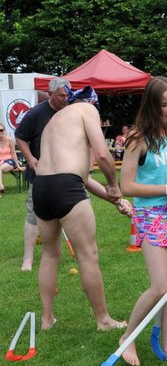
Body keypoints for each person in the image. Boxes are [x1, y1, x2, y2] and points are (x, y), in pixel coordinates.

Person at [33, 86, 131, 331]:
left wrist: (116, 201)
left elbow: (83, 178)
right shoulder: (87, 110)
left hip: (42, 187)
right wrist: (114, 185)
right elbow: (103, 154)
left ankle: (47, 319)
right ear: (92, 104)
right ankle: (103, 320)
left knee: (49, 254)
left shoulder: (56, 120)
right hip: (65, 186)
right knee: (88, 255)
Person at [119, 76, 167, 366]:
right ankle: (127, 337)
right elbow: (127, 186)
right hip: (150, 215)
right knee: (161, 285)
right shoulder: (138, 138)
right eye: (164, 104)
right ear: (151, 105)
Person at [15, 77, 70, 271]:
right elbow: (20, 137)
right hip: (40, 173)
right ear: (50, 94)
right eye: (61, 96)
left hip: (66, 172)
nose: (66, 99)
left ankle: (80, 252)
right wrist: (30, 159)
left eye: (67, 95)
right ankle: (27, 259)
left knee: (70, 211)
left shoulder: (70, 112)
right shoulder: (36, 113)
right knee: (34, 213)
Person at [0, 122, 24, 194]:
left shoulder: (10, 140)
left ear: (4, 130)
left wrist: (18, 166)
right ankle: (0, 187)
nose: (0, 132)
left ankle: (0, 186)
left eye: (1, 130)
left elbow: (13, 154)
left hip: (9, 161)